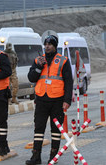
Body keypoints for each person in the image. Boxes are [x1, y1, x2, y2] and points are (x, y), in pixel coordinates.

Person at [26, 35, 73, 165]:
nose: (47, 46)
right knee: (38, 129)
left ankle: (53, 157)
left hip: (57, 100)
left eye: (50, 44)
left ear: (55, 46)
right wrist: (38, 67)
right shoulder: (38, 60)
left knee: (55, 130)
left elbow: (69, 82)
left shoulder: (63, 60)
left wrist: (67, 100)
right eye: (45, 44)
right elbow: (31, 78)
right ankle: (36, 157)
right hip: (41, 99)